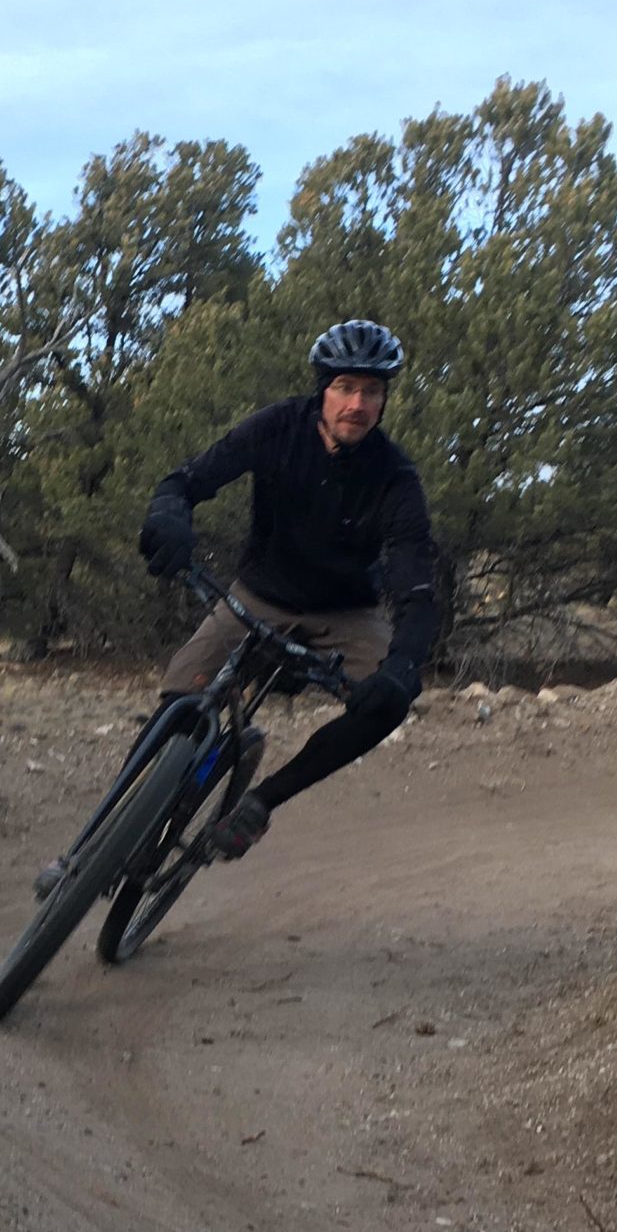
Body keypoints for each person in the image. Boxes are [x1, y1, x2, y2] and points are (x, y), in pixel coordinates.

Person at [134, 317, 438, 861]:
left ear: (385, 400)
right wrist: (168, 518)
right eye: (345, 387)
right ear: (322, 388)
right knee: (177, 705)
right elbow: (187, 480)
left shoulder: (396, 477)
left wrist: (403, 666)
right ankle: (116, 826)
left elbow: (416, 585)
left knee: (389, 702)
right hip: (259, 594)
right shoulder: (278, 427)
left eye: (372, 392)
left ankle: (261, 803)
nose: (357, 404)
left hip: (345, 613)